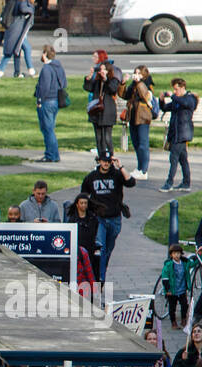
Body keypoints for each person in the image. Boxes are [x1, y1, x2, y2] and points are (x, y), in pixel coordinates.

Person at [79, 153, 134, 285]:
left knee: (108, 251)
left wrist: (120, 166)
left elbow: (131, 182)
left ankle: (101, 271)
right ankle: (100, 280)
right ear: (99, 161)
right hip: (99, 219)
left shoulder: (116, 174)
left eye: (109, 161)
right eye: (104, 161)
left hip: (114, 218)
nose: (106, 164)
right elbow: (83, 195)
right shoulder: (91, 177)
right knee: (101, 249)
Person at [158, 78, 197, 193]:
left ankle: (169, 183)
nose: (175, 92)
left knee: (173, 158)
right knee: (183, 159)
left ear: (182, 88)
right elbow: (165, 108)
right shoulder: (177, 100)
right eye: (173, 90)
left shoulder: (189, 99)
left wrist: (172, 96)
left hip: (183, 133)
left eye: (176, 89)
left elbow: (185, 103)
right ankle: (186, 183)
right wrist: (161, 100)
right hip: (175, 133)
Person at [31, 45, 66, 164]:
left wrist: (39, 101)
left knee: (47, 129)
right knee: (50, 128)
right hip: (55, 100)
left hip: (47, 102)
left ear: (45, 54)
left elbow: (44, 87)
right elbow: (63, 83)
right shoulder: (58, 66)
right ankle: (54, 154)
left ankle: (50, 155)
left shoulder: (46, 68)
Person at [120, 65, 156, 180]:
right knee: (136, 144)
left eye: (139, 73)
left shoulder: (146, 84)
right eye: (135, 73)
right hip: (133, 116)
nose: (136, 75)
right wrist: (123, 84)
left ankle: (144, 170)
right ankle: (139, 167)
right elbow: (124, 95)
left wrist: (139, 82)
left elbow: (145, 95)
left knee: (143, 144)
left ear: (144, 75)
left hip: (143, 117)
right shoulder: (134, 85)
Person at [83, 58, 120, 158]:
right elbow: (88, 88)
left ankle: (111, 157)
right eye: (101, 69)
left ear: (108, 71)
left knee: (107, 137)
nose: (102, 71)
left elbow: (113, 89)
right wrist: (89, 77)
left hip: (107, 112)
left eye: (104, 69)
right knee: (99, 138)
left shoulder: (113, 80)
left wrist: (106, 80)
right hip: (97, 112)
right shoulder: (97, 81)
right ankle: (102, 158)